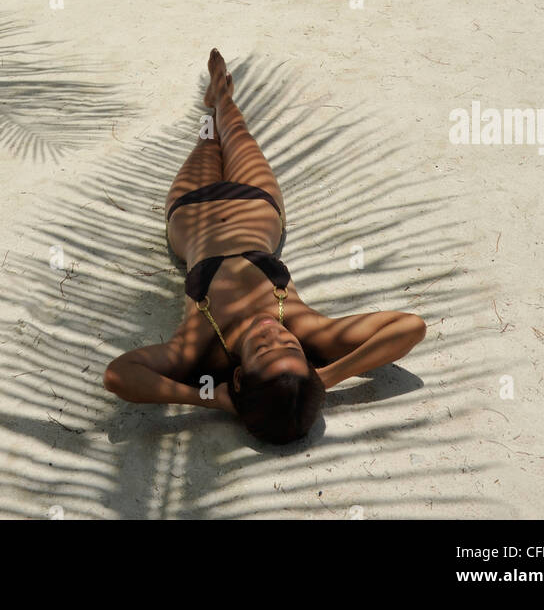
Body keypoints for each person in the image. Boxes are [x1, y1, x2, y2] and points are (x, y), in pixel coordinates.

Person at [104, 50, 427, 445]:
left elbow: (118, 375)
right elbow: (411, 327)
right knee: (235, 128)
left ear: (238, 376)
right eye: (289, 346)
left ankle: (211, 110)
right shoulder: (304, 324)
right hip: (254, 196)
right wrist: (328, 377)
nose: (273, 333)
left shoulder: (198, 345)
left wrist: (210, 400)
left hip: (191, 204)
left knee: (207, 140)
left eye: (263, 349)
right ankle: (221, 96)